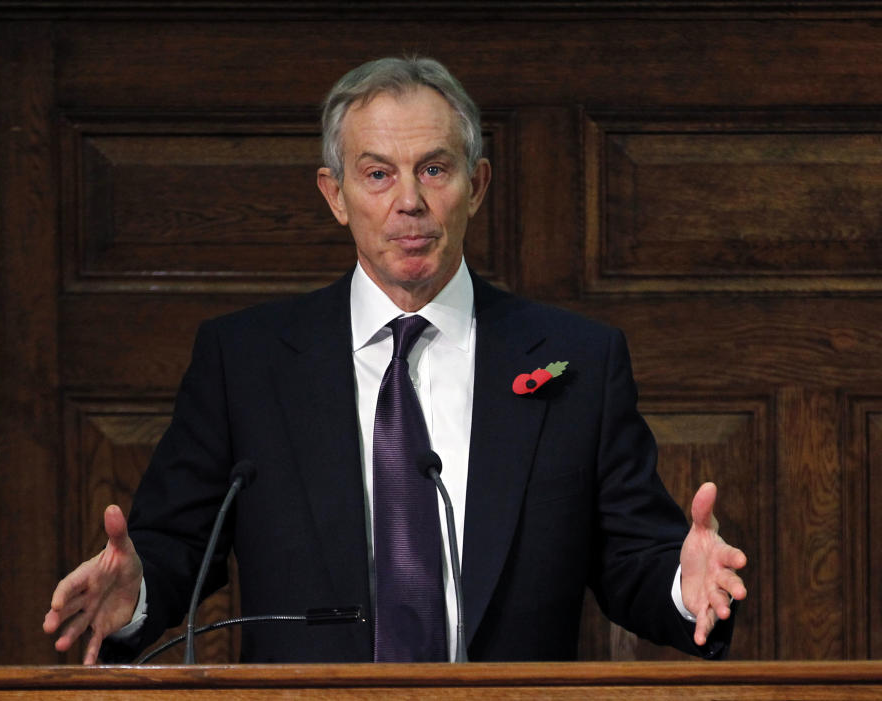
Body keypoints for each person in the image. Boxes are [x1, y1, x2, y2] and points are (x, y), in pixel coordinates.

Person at [43, 56, 747, 665]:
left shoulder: (577, 360)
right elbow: (175, 547)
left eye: (434, 169)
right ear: (335, 195)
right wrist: (134, 593)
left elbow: (635, 558)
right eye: (377, 174)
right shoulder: (246, 360)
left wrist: (687, 587)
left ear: (477, 185)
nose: (408, 201)